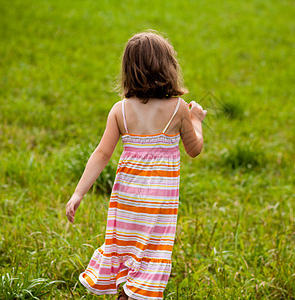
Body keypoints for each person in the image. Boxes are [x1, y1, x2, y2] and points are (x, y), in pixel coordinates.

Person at [66, 30, 207, 300]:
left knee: (126, 248)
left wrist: (78, 193)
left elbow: (101, 154)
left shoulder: (120, 110)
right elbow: (194, 149)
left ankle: (126, 293)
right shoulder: (178, 109)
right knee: (152, 253)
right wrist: (197, 119)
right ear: (168, 67)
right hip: (158, 204)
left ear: (129, 71)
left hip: (126, 200)